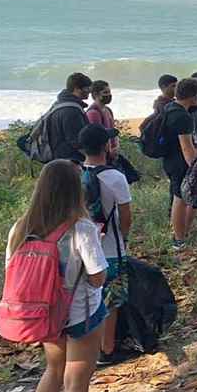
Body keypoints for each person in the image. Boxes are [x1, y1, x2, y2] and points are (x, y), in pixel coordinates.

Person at [9, 160, 109, 392]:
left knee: (53, 371)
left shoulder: (21, 228)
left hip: (44, 316)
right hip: (80, 316)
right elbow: (98, 278)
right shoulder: (82, 229)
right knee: (76, 381)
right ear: (75, 191)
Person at [77, 125, 133, 363]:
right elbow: (126, 218)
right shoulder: (115, 177)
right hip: (111, 249)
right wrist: (124, 237)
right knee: (111, 301)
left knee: (86, 299)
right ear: (106, 146)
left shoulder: (75, 174)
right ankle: (107, 349)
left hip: (80, 250)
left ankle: (86, 348)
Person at [162, 77, 197, 249]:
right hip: (179, 162)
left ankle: (182, 232)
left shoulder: (170, 107)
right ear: (193, 96)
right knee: (180, 199)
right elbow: (187, 149)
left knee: (180, 197)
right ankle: (179, 239)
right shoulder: (183, 117)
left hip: (169, 159)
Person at [44, 73, 92, 163]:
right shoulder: (72, 110)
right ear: (77, 89)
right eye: (87, 88)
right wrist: (92, 158)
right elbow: (76, 141)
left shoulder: (60, 104)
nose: (90, 91)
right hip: (70, 160)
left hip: (59, 158)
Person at [85, 80, 119, 162]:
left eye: (109, 92)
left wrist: (116, 147)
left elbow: (113, 131)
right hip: (103, 156)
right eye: (105, 92)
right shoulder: (93, 113)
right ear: (95, 94)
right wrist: (109, 152)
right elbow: (98, 137)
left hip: (112, 154)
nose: (109, 95)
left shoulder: (108, 110)